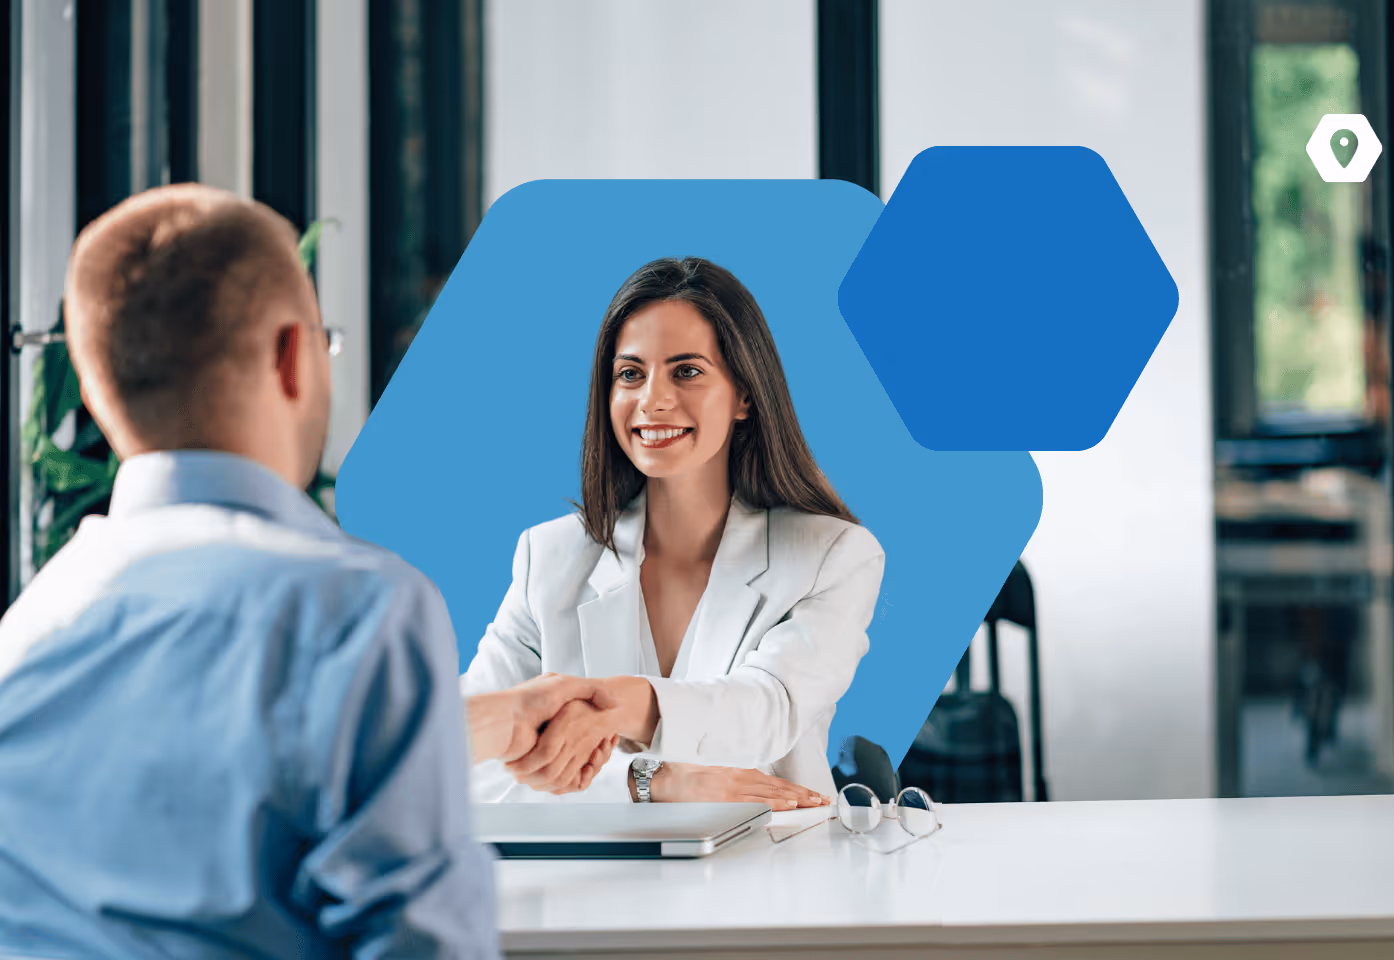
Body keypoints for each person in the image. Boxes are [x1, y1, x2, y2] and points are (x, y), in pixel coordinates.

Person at [0, 184, 612, 960]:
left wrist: (493, 722)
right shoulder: (359, 614)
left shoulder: (30, 629)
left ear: (92, 390)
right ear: (292, 356)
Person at [461, 256, 886, 809]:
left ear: (744, 395)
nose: (652, 400)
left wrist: (614, 704)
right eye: (630, 374)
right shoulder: (548, 557)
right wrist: (646, 782)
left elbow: (769, 709)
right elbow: (463, 762)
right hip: (593, 867)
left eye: (686, 371)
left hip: (773, 859)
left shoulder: (832, 557)